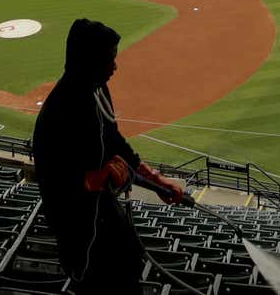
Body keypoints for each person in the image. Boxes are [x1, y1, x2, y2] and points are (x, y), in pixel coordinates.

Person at [33, 19, 186, 294]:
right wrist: (97, 178)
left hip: (99, 209)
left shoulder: (97, 89)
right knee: (102, 279)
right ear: (88, 60)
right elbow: (57, 179)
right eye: (108, 59)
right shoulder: (62, 109)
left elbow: (114, 141)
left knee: (128, 256)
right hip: (78, 224)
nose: (114, 67)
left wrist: (155, 180)